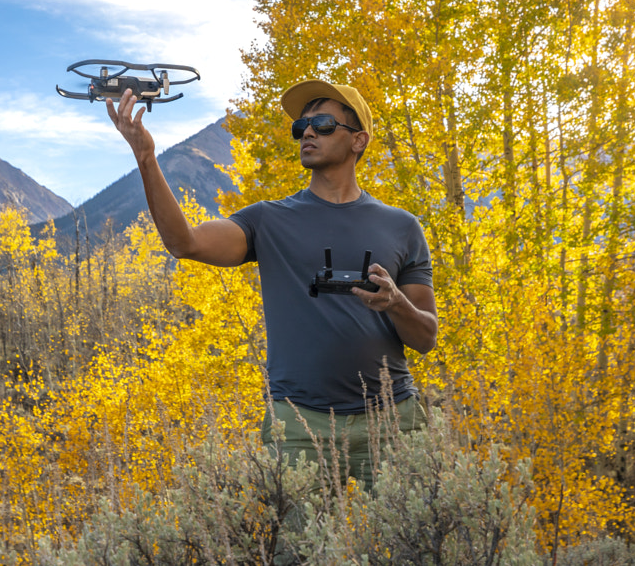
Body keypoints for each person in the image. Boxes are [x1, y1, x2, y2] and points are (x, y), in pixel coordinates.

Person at [106, 79, 438, 488]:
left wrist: (396, 303)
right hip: (299, 425)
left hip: (394, 419)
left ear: (358, 141)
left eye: (322, 124)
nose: (308, 132)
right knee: (297, 551)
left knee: (405, 547)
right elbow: (184, 242)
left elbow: (426, 337)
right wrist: (145, 155)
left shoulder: (402, 227)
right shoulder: (269, 219)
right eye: (302, 127)